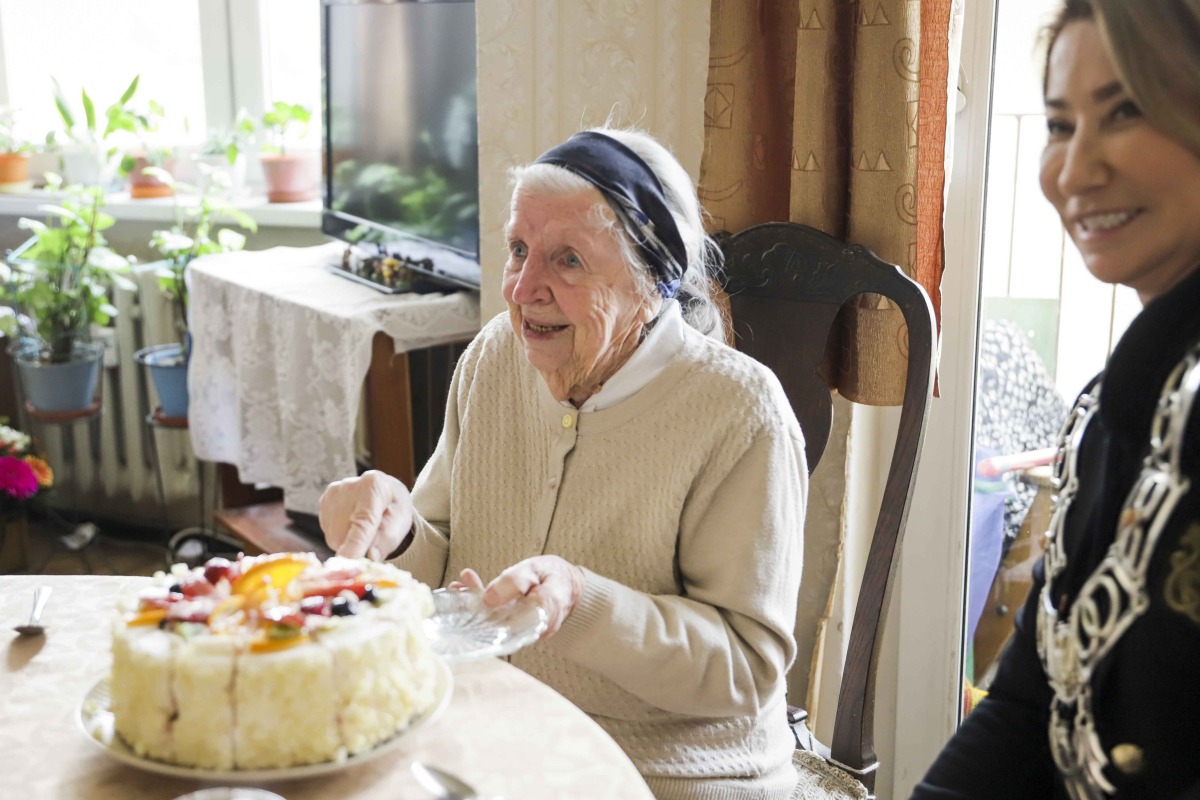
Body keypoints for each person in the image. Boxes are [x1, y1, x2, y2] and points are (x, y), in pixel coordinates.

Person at [320, 127, 808, 799]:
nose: (523, 289)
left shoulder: (740, 415)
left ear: (650, 284)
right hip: (502, 733)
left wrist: (579, 603)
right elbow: (443, 572)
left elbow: (744, 671)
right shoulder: (493, 359)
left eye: (567, 261)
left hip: (671, 773)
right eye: (518, 249)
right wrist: (397, 531)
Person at [912, 1, 1200, 797]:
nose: (1073, 172)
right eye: (1060, 124)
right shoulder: (1112, 408)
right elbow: (1031, 696)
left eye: (1126, 110)